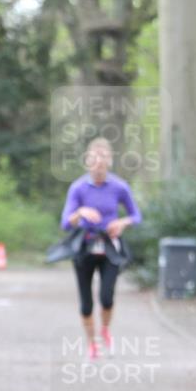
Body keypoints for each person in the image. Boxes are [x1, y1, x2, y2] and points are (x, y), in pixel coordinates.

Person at [60, 137, 142, 358]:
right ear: (87, 161)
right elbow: (65, 222)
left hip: (109, 247)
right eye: (94, 159)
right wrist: (81, 213)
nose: (98, 163)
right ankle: (92, 343)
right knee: (86, 303)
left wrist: (122, 223)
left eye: (103, 158)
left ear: (110, 161)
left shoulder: (119, 186)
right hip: (85, 246)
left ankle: (105, 330)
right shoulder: (77, 188)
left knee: (107, 298)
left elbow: (136, 215)